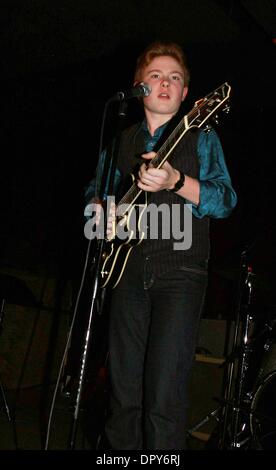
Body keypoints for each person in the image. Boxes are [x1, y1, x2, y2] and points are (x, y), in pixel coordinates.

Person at [84, 40, 237, 450]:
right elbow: (92, 198)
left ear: (187, 94)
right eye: (156, 76)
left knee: (163, 399)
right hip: (126, 274)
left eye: (175, 77)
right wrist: (101, 212)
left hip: (180, 275)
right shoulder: (120, 142)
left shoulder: (201, 138)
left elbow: (224, 201)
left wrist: (176, 182)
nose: (165, 83)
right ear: (139, 87)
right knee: (124, 397)